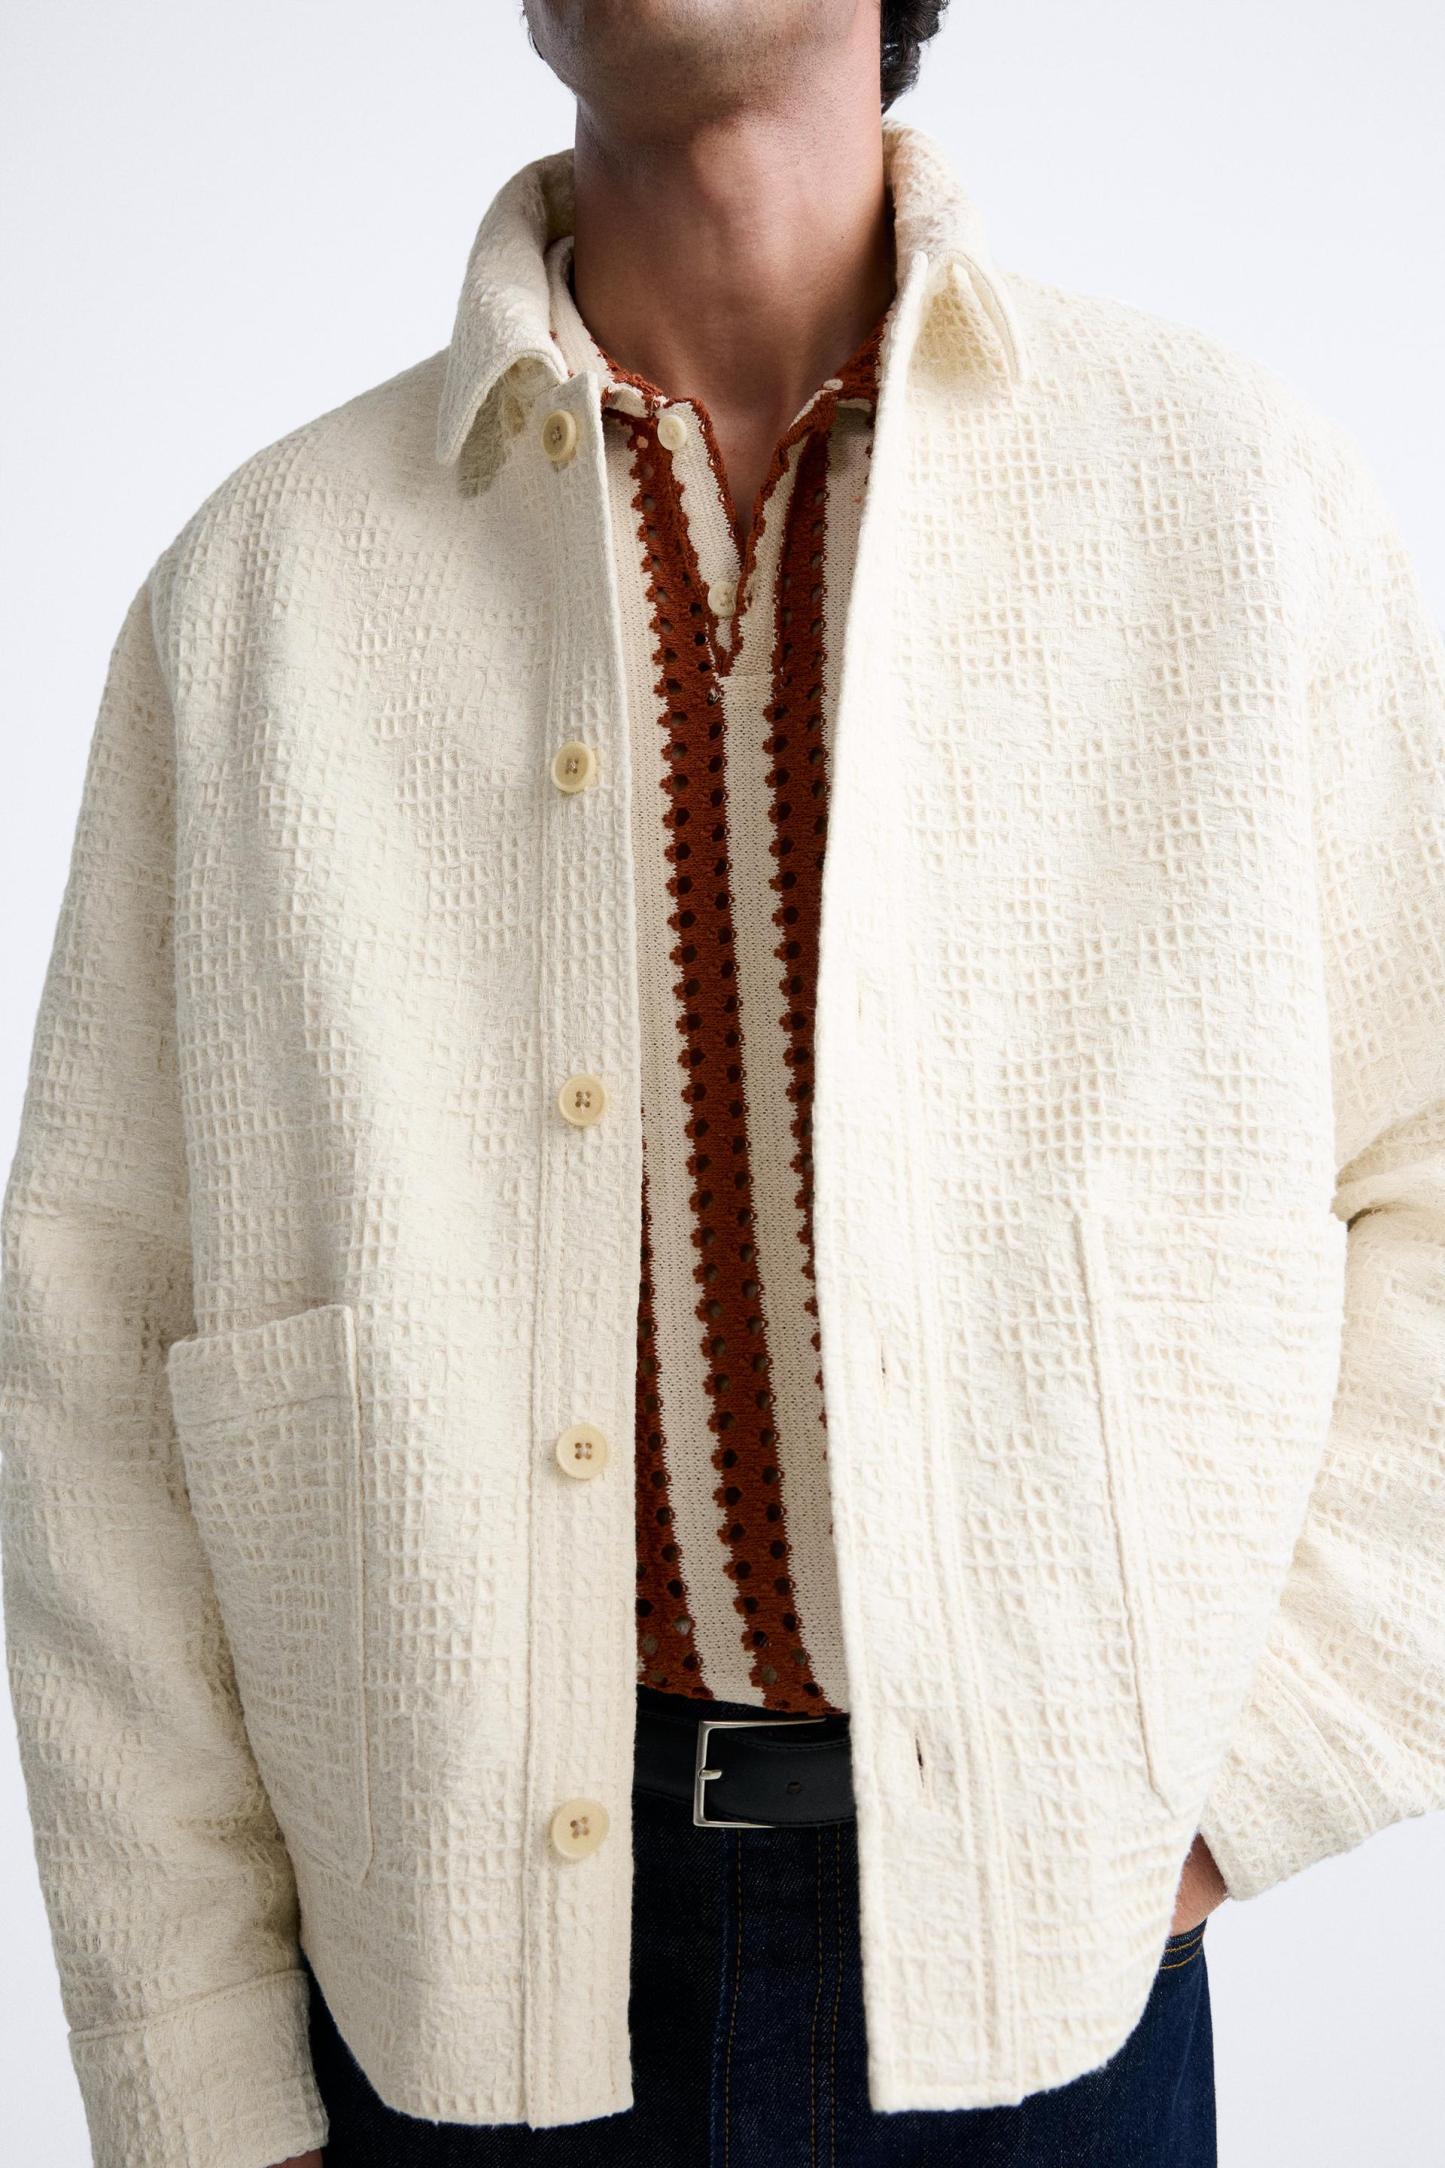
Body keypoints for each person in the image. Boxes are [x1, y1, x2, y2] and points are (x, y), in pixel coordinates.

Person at [2, 2, 1442, 2163]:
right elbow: (95, 1357)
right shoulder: (265, 593)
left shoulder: (1227, 503)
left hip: (1055, 1973)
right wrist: (191, 2070)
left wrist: (1234, 1781)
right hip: (443, 1991)